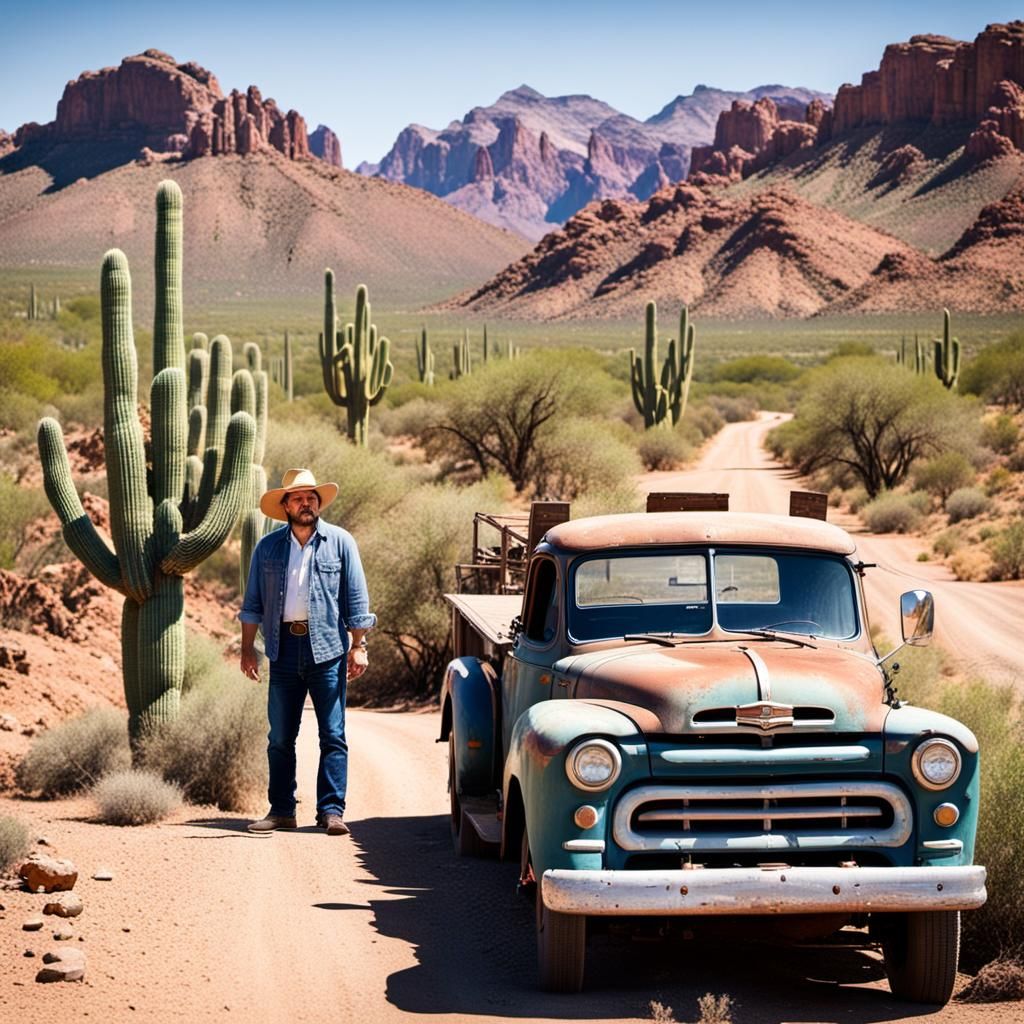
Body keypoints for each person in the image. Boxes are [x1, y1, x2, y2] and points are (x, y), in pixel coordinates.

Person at [239, 468, 375, 836]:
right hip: (282, 649)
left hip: (328, 649)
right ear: (285, 505)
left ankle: (331, 812)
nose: (306, 503)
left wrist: (358, 645)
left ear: (318, 503)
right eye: (298, 498)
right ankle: (282, 810)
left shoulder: (340, 542)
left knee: (333, 734)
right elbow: (252, 602)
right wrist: (247, 648)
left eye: (311, 497)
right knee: (280, 737)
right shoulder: (267, 547)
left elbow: (356, 599)